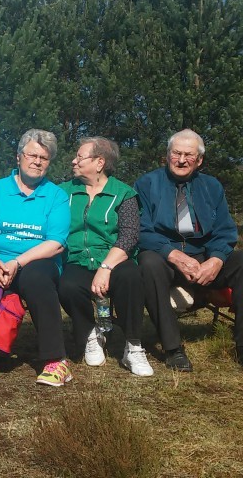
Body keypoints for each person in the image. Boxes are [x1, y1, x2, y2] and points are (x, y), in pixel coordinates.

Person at [135, 129, 243, 374]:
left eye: (189, 155)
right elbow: (141, 230)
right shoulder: (147, 184)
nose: (181, 160)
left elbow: (225, 230)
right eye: (176, 153)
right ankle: (173, 348)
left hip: (204, 255)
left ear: (199, 160)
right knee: (148, 262)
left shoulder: (212, 186)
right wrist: (173, 255)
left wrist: (217, 260)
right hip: (165, 256)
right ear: (167, 155)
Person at [0, 129, 72, 386]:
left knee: (36, 279)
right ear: (19, 157)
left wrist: (17, 262)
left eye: (44, 158)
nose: (37, 162)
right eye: (32, 155)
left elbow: (56, 243)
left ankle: (55, 360)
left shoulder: (56, 196)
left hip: (34, 263)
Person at [58, 137, 154, 377]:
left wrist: (106, 267)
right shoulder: (64, 192)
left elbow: (130, 235)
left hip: (114, 257)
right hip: (77, 258)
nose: (74, 161)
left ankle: (133, 346)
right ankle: (90, 334)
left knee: (131, 277)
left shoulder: (124, 194)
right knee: (68, 285)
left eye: (80, 157)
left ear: (99, 162)